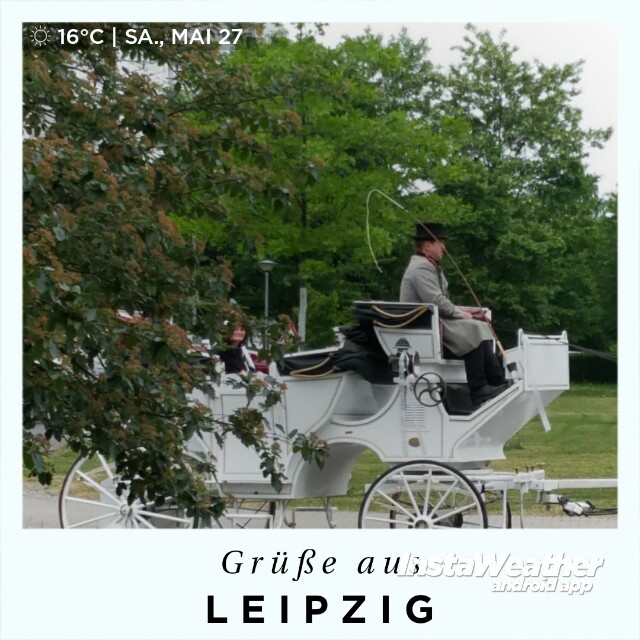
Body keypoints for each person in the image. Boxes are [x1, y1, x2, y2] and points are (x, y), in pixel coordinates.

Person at [400, 221, 508, 406]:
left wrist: (468, 311)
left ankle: (496, 381)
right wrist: (464, 315)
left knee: (480, 325)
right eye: (440, 243)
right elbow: (437, 301)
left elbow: (440, 302)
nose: (444, 248)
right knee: (473, 328)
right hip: (424, 324)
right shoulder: (421, 268)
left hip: (434, 321)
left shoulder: (429, 265)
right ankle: (478, 388)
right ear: (428, 246)